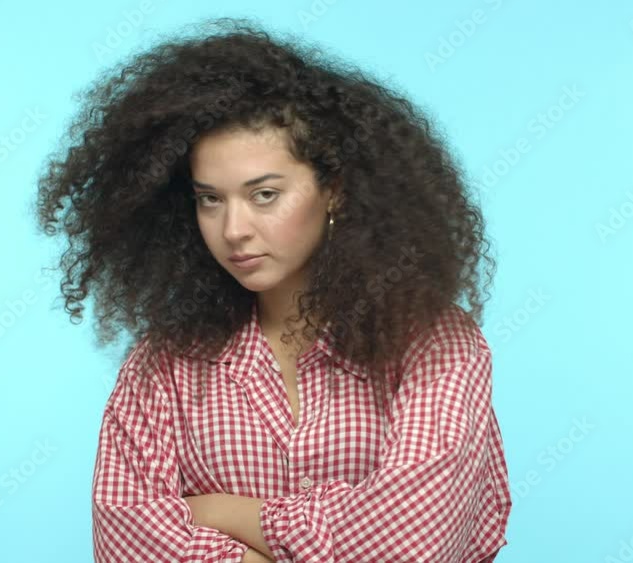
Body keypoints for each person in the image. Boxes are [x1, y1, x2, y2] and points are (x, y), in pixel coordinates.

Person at [35, 16, 512, 562]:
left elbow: (416, 541)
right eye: (209, 198)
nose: (233, 228)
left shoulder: (434, 344)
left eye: (263, 195)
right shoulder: (164, 364)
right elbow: (124, 537)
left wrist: (223, 513)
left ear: (334, 191)